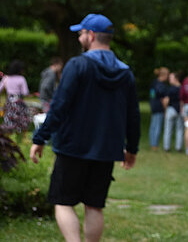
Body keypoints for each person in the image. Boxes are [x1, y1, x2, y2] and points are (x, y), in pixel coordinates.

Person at [29, 13, 141, 242]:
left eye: (80, 33)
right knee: (94, 206)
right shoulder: (125, 73)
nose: (79, 37)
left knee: (63, 202)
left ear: (90, 36)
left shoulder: (77, 65)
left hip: (72, 146)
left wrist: (40, 138)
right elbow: (133, 114)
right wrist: (132, 148)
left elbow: (59, 106)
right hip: (106, 150)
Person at [0, 59, 31, 134]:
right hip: (19, 102)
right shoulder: (21, 79)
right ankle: (19, 134)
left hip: (10, 102)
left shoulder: (6, 78)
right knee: (20, 118)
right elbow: (25, 92)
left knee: (9, 118)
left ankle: (9, 133)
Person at [163, 71, 184, 152]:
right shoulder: (182, 88)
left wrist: (165, 110)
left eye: (171, 78)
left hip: (171, 109)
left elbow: (166, 100)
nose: (169, 80)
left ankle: (167, 147)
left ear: (176, 79)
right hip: (180, 109)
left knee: (168, 129)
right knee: (180, 129)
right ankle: (179, 147)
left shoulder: (170, 89)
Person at [149, 67, 169, 151]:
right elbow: (164, 100)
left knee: (153, 126)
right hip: (159, 107)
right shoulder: (162, 86)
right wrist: (165, 110)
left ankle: (152, 143)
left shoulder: (154, 83)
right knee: (157, 126)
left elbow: (152, 94)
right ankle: (155, 145)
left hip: (153, 105)